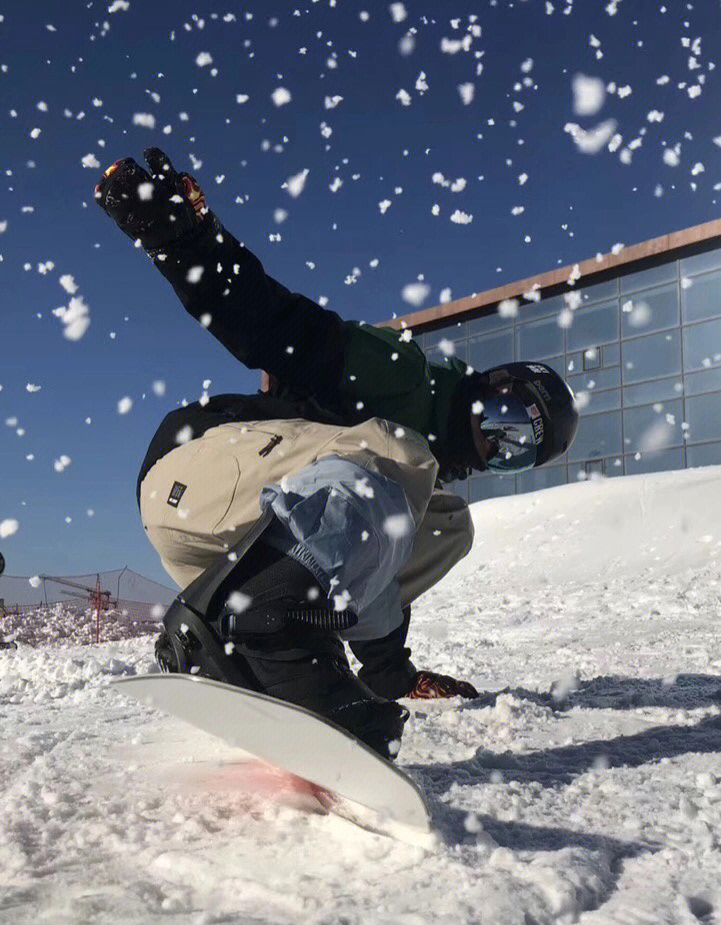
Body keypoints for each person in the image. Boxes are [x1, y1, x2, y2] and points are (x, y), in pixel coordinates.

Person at [95, 148, 579, 760]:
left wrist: (392, 679)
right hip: (196, 470)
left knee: (446, 523)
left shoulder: (401, 492)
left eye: (515, 453)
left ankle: (270, 639)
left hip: (232, 545)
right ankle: (270, 629)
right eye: (504, 420)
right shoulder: (407, 379)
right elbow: (274, 324)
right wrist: (190, 243)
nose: (493, 446)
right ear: (487, 384)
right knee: (402, 455)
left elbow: (374, 574)